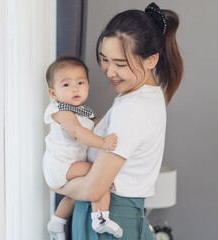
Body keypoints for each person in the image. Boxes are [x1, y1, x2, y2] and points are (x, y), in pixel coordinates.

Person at [53, 2, 184, 240]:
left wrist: (55, 183)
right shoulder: (137, 97)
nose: (109, 71)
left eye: (120, 64)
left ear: (151, 60)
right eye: (104, 59)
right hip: (112, 216)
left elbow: (94, 188)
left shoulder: (134, 108)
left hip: (110, 217)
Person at [42, 56, 123, 240]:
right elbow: (78, 133)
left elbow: (90, 128)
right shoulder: (62, 112)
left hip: (66, 166)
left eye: (80, 82)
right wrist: (102, 143)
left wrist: (108, 117)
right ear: (53, 94)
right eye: (66, 85)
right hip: (62, 166)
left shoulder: (81, 115)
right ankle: (100, 218)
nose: (75, 88)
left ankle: (56, 223)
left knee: (73, 195)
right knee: (98, 175)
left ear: (87, 86)